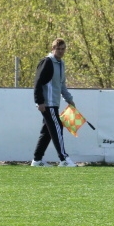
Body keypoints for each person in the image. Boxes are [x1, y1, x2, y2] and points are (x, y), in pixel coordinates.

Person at [31, 38, 77, 167]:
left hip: (54, 103)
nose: (61, 51)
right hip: (48, 103)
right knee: (57, 128)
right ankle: (64, 159)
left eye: (63, 49)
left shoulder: (61, 64)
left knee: (47, 132)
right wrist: (39, 102)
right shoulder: (47, 62)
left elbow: (61, 85)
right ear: (53, 49)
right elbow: (37, 83)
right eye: (58, 49)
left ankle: (37, 160)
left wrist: (69, 99)